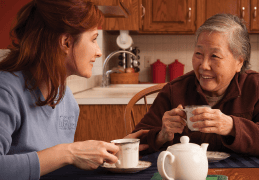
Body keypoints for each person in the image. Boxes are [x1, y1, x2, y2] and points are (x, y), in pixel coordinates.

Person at [0, 0, 148, 179]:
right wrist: (69, 153)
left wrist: (108, 151)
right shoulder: (5, 90)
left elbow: (56, 164)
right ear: (66, 42)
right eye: (94, 39)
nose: (99, 51)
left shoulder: (66, 98)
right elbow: (64, 155)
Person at [133, 13, 259, 157]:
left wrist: (232, 126)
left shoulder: (257, 86)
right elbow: (133, 143)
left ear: (239, 62)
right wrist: (161, 135)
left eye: (215, 56)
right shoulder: (174, 90)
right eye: (198, 54)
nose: (203, 65)